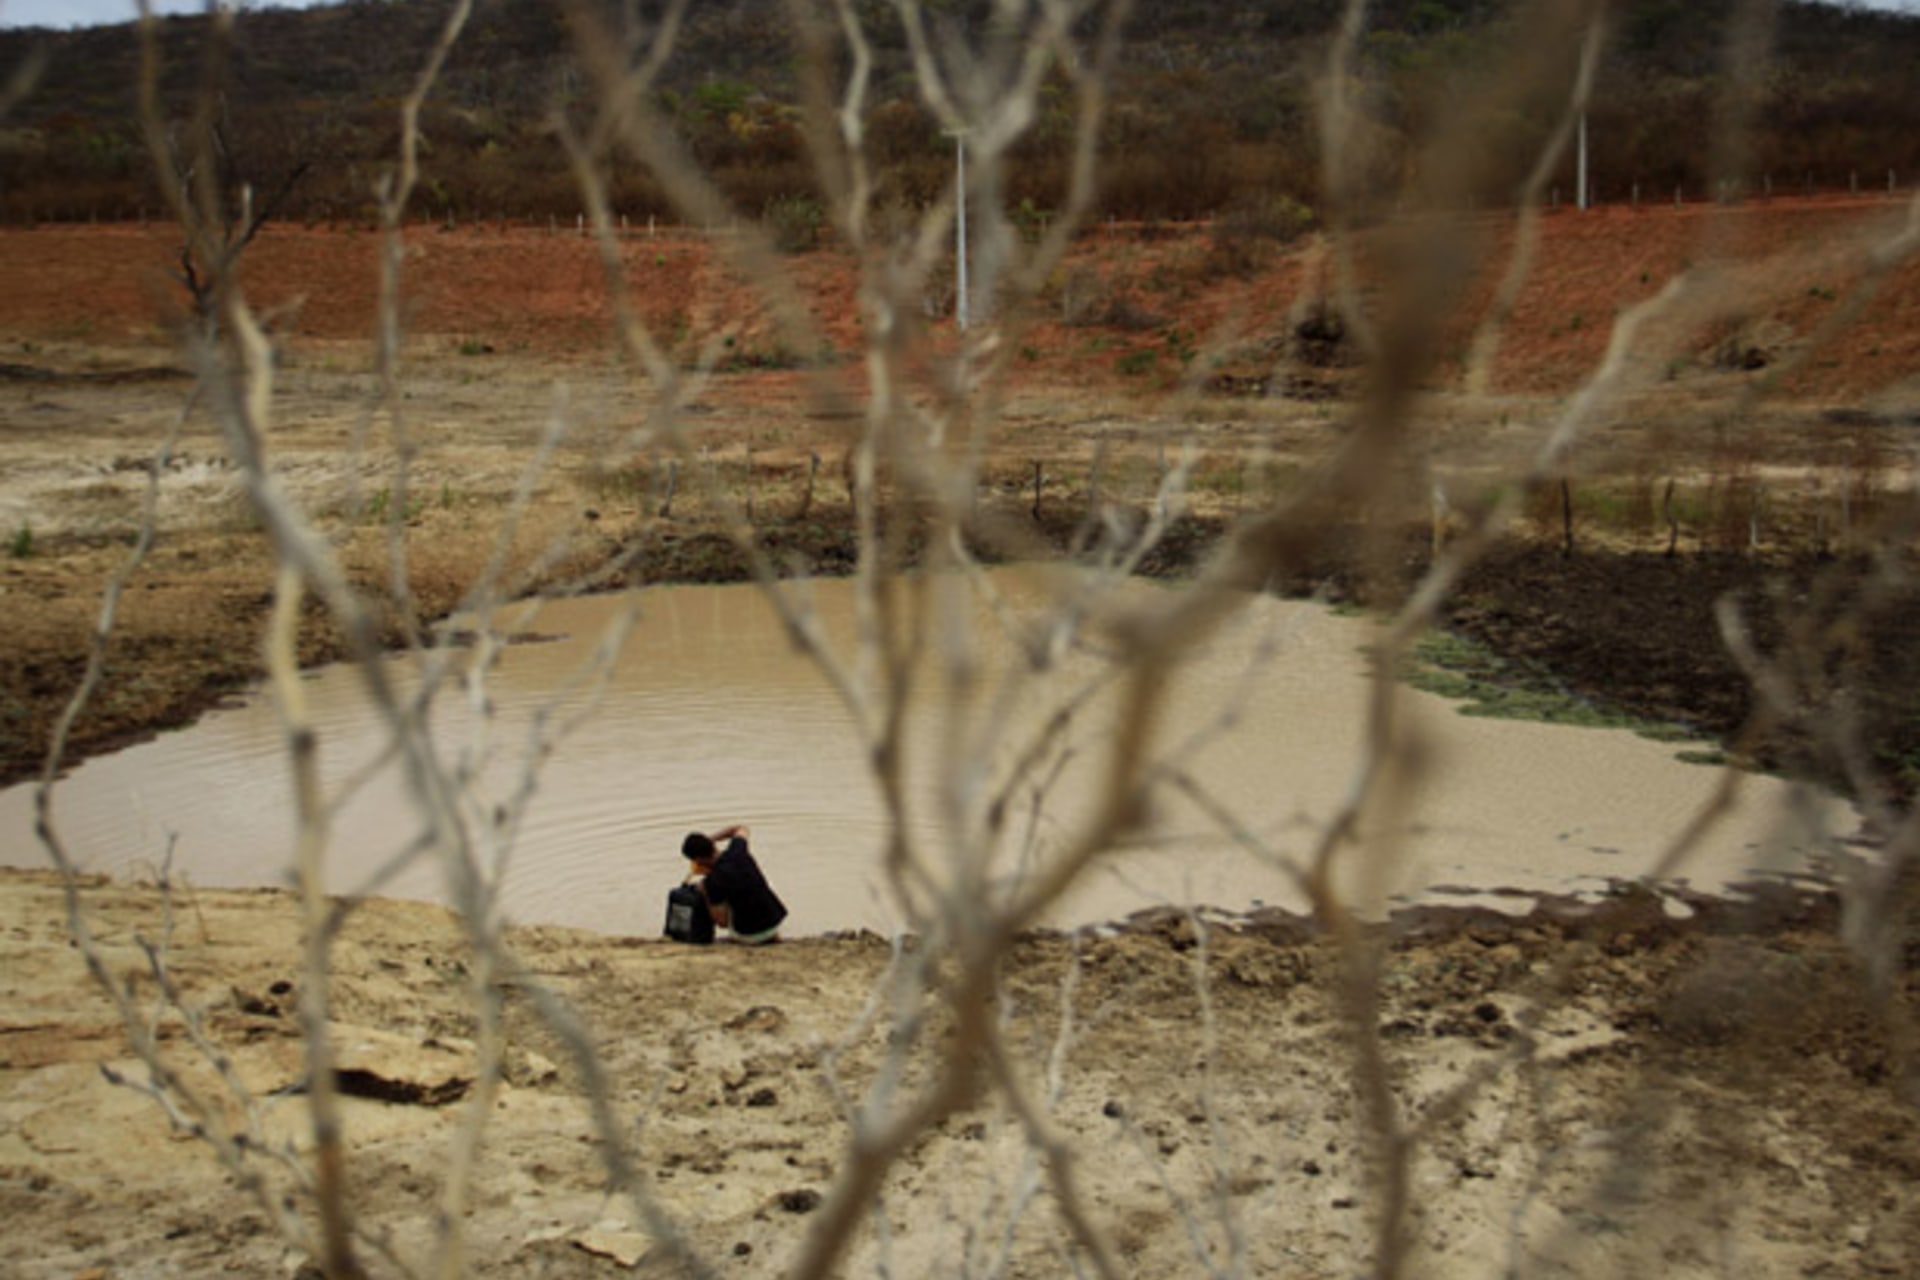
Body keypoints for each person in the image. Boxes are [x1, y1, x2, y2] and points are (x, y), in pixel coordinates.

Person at [681, 823, 787, 945]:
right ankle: (772, 935)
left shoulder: (712, 882)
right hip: (774, 920)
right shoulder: (738, 850)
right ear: (713, 845)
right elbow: (740, 828)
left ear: (698, 860)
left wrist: (705, 892)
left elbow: (722, 923)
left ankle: (749, 938)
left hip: (750, 935)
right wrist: (711, 839)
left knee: (719, 899)